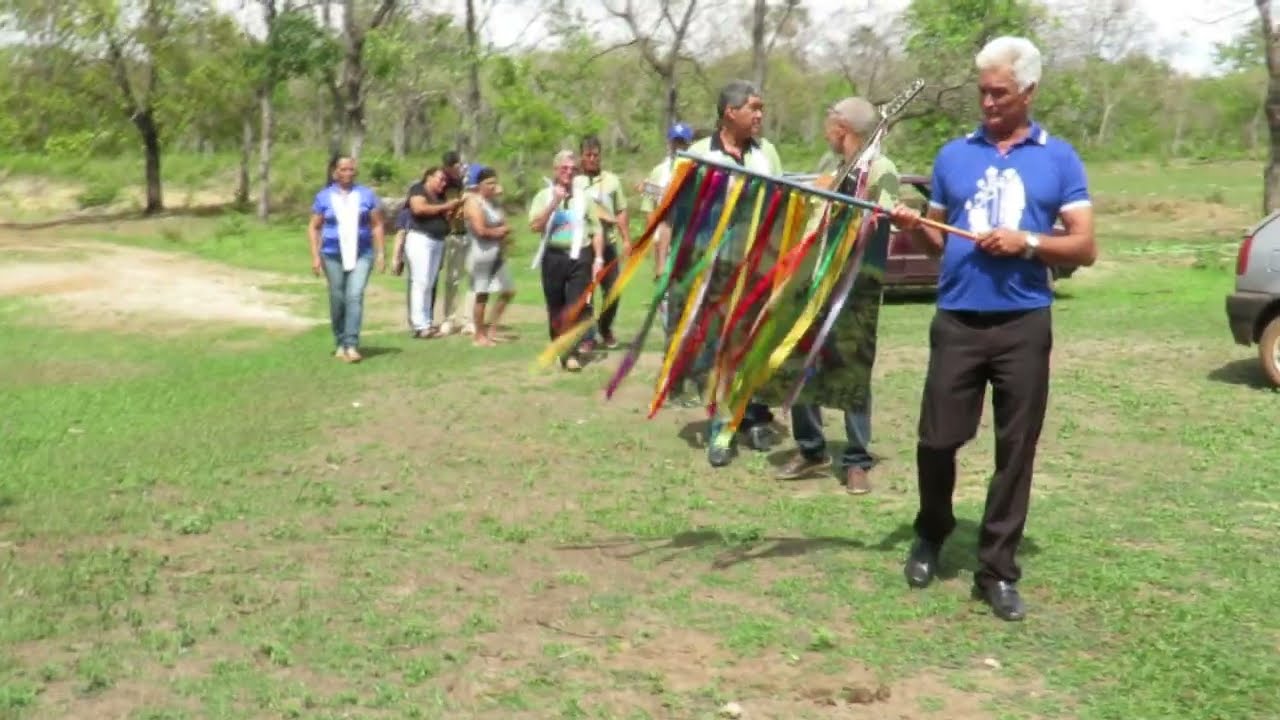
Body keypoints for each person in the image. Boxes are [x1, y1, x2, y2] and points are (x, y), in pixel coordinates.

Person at [888, 36, 1097, 621]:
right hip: (957, 319)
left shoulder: (1060, 158)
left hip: (1023, 323)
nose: (987, 103)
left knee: (1016, 448)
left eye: (999, 93)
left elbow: (1083, 247)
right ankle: (931, 531)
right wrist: (914, 225)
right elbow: (936, 238)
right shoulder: (954, 156)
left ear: (1029, 91)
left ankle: (997, 569)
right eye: (982, 92)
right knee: (936, 439)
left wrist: (1026, 242)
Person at [771, 97, 899, 495]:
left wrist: (849, 210)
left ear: (842, 128)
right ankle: (812, 449)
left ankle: (857, 459)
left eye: (829, 122)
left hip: (854, 287)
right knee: (801, 363)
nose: (826, 130)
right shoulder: (832, 167)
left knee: (851, 369)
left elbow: (884, 226)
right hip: (815, 281)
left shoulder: (880, 169)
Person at [682, 79, 783, 468]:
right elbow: (681, 213)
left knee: (755, 344)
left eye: (761, 108)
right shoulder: (697, 154)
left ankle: (754, 415)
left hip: (760, 266)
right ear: (730, 111)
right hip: (715, 269)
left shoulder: (767, 152)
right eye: (753, 108)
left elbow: (781, 202)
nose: (759, 115)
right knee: (720, 348)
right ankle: (722, 426)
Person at [528, 150, 605, 372]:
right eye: (564, 168)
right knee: (556, 306)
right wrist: (554, 202)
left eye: (573, 169)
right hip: (553, 257)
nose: (569, 173)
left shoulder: (584, 198)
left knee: (575, 307)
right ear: (555, 170)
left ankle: (570, 354)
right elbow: (535, 227)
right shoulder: (543, 196)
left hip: (580, 256)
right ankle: (558, 343)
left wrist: (598, 258)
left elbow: (596, 229)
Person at [308, 155, 386, 363]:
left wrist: (381, 253)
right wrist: (315, 256)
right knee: (338, 298)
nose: (348, 173)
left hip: (362, 252)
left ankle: (351, 344)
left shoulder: (366, 195)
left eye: (351, 169)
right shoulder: (324, 197)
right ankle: (340, 341)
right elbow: (314, 227)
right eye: (343, 169)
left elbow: (377, 224)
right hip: (332, 253)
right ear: (335, 172)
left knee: (354, 295)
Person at [641, 122, 695, 355]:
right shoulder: (659, 172)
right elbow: (651, 210)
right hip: (665, 242)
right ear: (670, 143)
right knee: (665, 298)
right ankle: (671, 348)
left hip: (692, 244)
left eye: (683, 142)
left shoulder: (698, 171)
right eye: (675, 141)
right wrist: (657, 255)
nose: (679, 146)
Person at [576, 136, 632, 352]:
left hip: (608, 245)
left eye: (596, 155)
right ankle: (588, 336)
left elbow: (621, 210)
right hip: (584, 245)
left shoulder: (612, 181)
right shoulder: (575, 182)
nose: (592, 159)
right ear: (581, 156)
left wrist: (626, 238)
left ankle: (605, 327)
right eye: (588, 155)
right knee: (586, 292)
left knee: (613, 291)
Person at [394, 166, 461, 338]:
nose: (443, 183)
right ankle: (420, 324)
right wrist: (446, 206)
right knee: (421, 281)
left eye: (445, 180)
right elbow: (419, 209)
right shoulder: (418, 190)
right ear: (428, 178)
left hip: (437, 239)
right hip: (420, 238)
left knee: (429, 283)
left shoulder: (439, 196)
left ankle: (426, 322)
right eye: (440, 179)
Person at [463, 165, 516, 346]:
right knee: (482, 295)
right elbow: (480, 230)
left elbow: (503, 219)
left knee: (509, 290)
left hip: (497, 254)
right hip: (481, 254)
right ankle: (479, 336)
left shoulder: (493, 203)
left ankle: (491, 328)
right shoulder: (473, 202)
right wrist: (501, 231)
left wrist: (498, 200)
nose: (493, 186)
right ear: (479, 185)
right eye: (489, 183)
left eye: (495, 182)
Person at [434, 150, 477, 336]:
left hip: (471, 233)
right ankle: (449, 319)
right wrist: (460, 201)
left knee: (474, 277)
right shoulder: (443, 185)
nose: (457, 169)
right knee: (452, 279)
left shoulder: (468, 181)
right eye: (454, 166)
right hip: (452, 234)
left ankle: (470, 320)